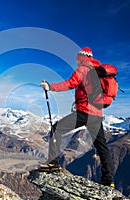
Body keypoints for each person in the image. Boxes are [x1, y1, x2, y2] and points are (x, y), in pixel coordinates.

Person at [39, 47, 114, 187]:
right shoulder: (98, 71)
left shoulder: (83, 69)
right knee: (102, 146)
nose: (77, 60)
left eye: (78, 57)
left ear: (81, 57)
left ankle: (53, 163)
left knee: (56, 129)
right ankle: (108, 180)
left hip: (85, 112)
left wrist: (50, 87)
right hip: (97, 114)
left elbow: (70, 83)